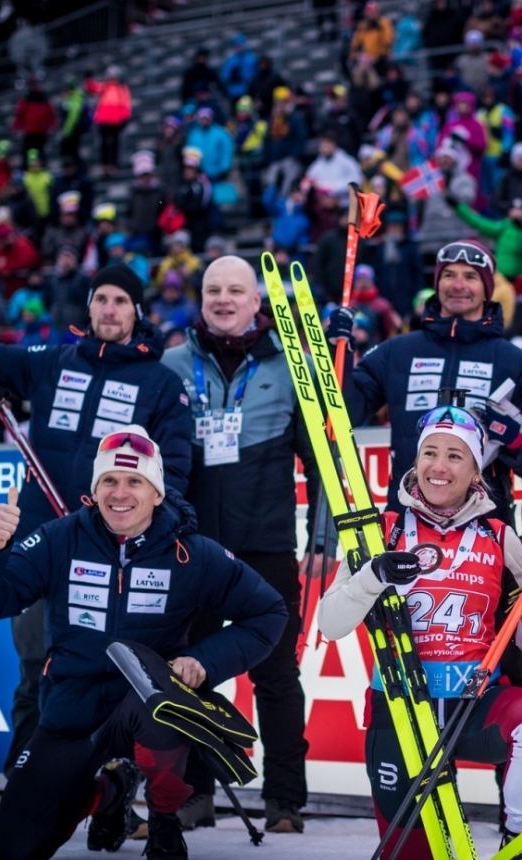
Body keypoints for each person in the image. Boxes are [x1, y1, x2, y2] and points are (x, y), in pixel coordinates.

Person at [0, 264, 194, 777]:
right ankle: (26, 786)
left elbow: (174, 474)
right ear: (89, 306)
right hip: (44, 549)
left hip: (112, 557)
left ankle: (112, 790)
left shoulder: (160, 384)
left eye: (120, 300)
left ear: (137, 310)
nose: (109, 309)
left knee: (109, 676)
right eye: (101, 299)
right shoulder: (53, 362)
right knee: (35, 670)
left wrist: (146, 536)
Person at [0, 426, 287, 860]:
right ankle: (109, 791)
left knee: (163, 706)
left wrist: (203, 662)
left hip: (146, 705)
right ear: (94, 490)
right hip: (71, 714)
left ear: (157, 493)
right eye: (109, 480)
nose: (120, 493)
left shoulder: (192, 552)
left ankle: (165, 821)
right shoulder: (59, 539)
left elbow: (268, 612)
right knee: (15, 848)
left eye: (135, 481)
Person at [317, 403, 522, 849]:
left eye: (455, 455)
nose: (439, 466)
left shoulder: (498, 535)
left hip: (473, 704)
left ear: (475, 472)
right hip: (400, 709)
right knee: (410, 851)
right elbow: (330, 624)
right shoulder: (381, 529)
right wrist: (374, 575)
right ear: (415, 462)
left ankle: (521, 837)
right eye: (430, 452)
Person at [159, 256, 328, 833]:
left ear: (258, 302)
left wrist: (322, 536)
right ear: (199, 298)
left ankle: (284, 802)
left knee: (277, 675)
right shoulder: (174, 363)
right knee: (189, 673)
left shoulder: (292, 367)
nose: (224, 300)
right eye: (213, 290)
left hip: (267, 548)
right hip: (191, 549)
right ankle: (193, 796)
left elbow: (322, 461)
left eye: (236, 290)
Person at [335, 240, 522, 528]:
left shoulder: (514, 362)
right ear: (437, 283)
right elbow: (344, 412)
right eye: (449, 274)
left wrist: (515, 440)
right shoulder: (397, 351)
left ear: (487, 288)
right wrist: (337, 353)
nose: (458, 284)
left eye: (471, 276)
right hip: (405, 522)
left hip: (485, 528)